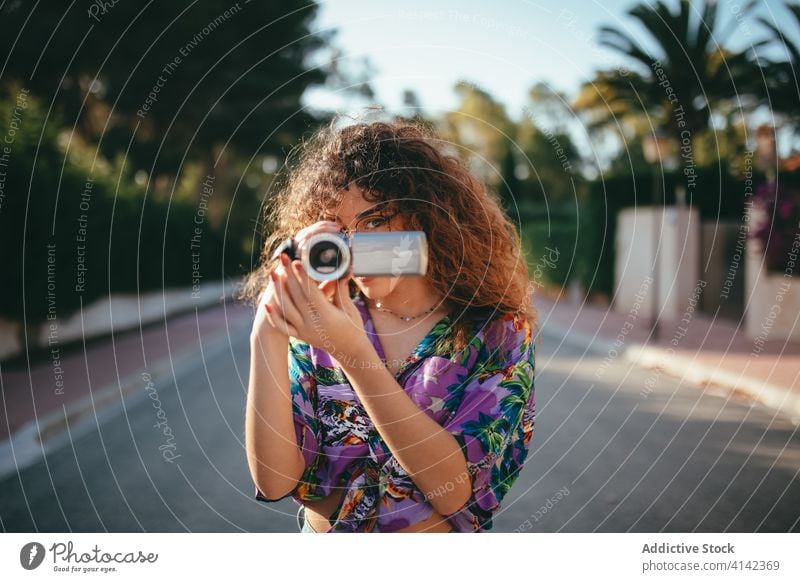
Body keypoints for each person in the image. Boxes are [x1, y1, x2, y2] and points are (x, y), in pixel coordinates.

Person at [240, 118, 537, 533]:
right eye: (338, 231)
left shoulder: (496, 331)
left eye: (375, 222)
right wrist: (266, 332)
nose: (356, 245)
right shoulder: (315, 326)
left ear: (425, 217)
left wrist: (353, 354)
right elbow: (273, 482)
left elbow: (454, 494)